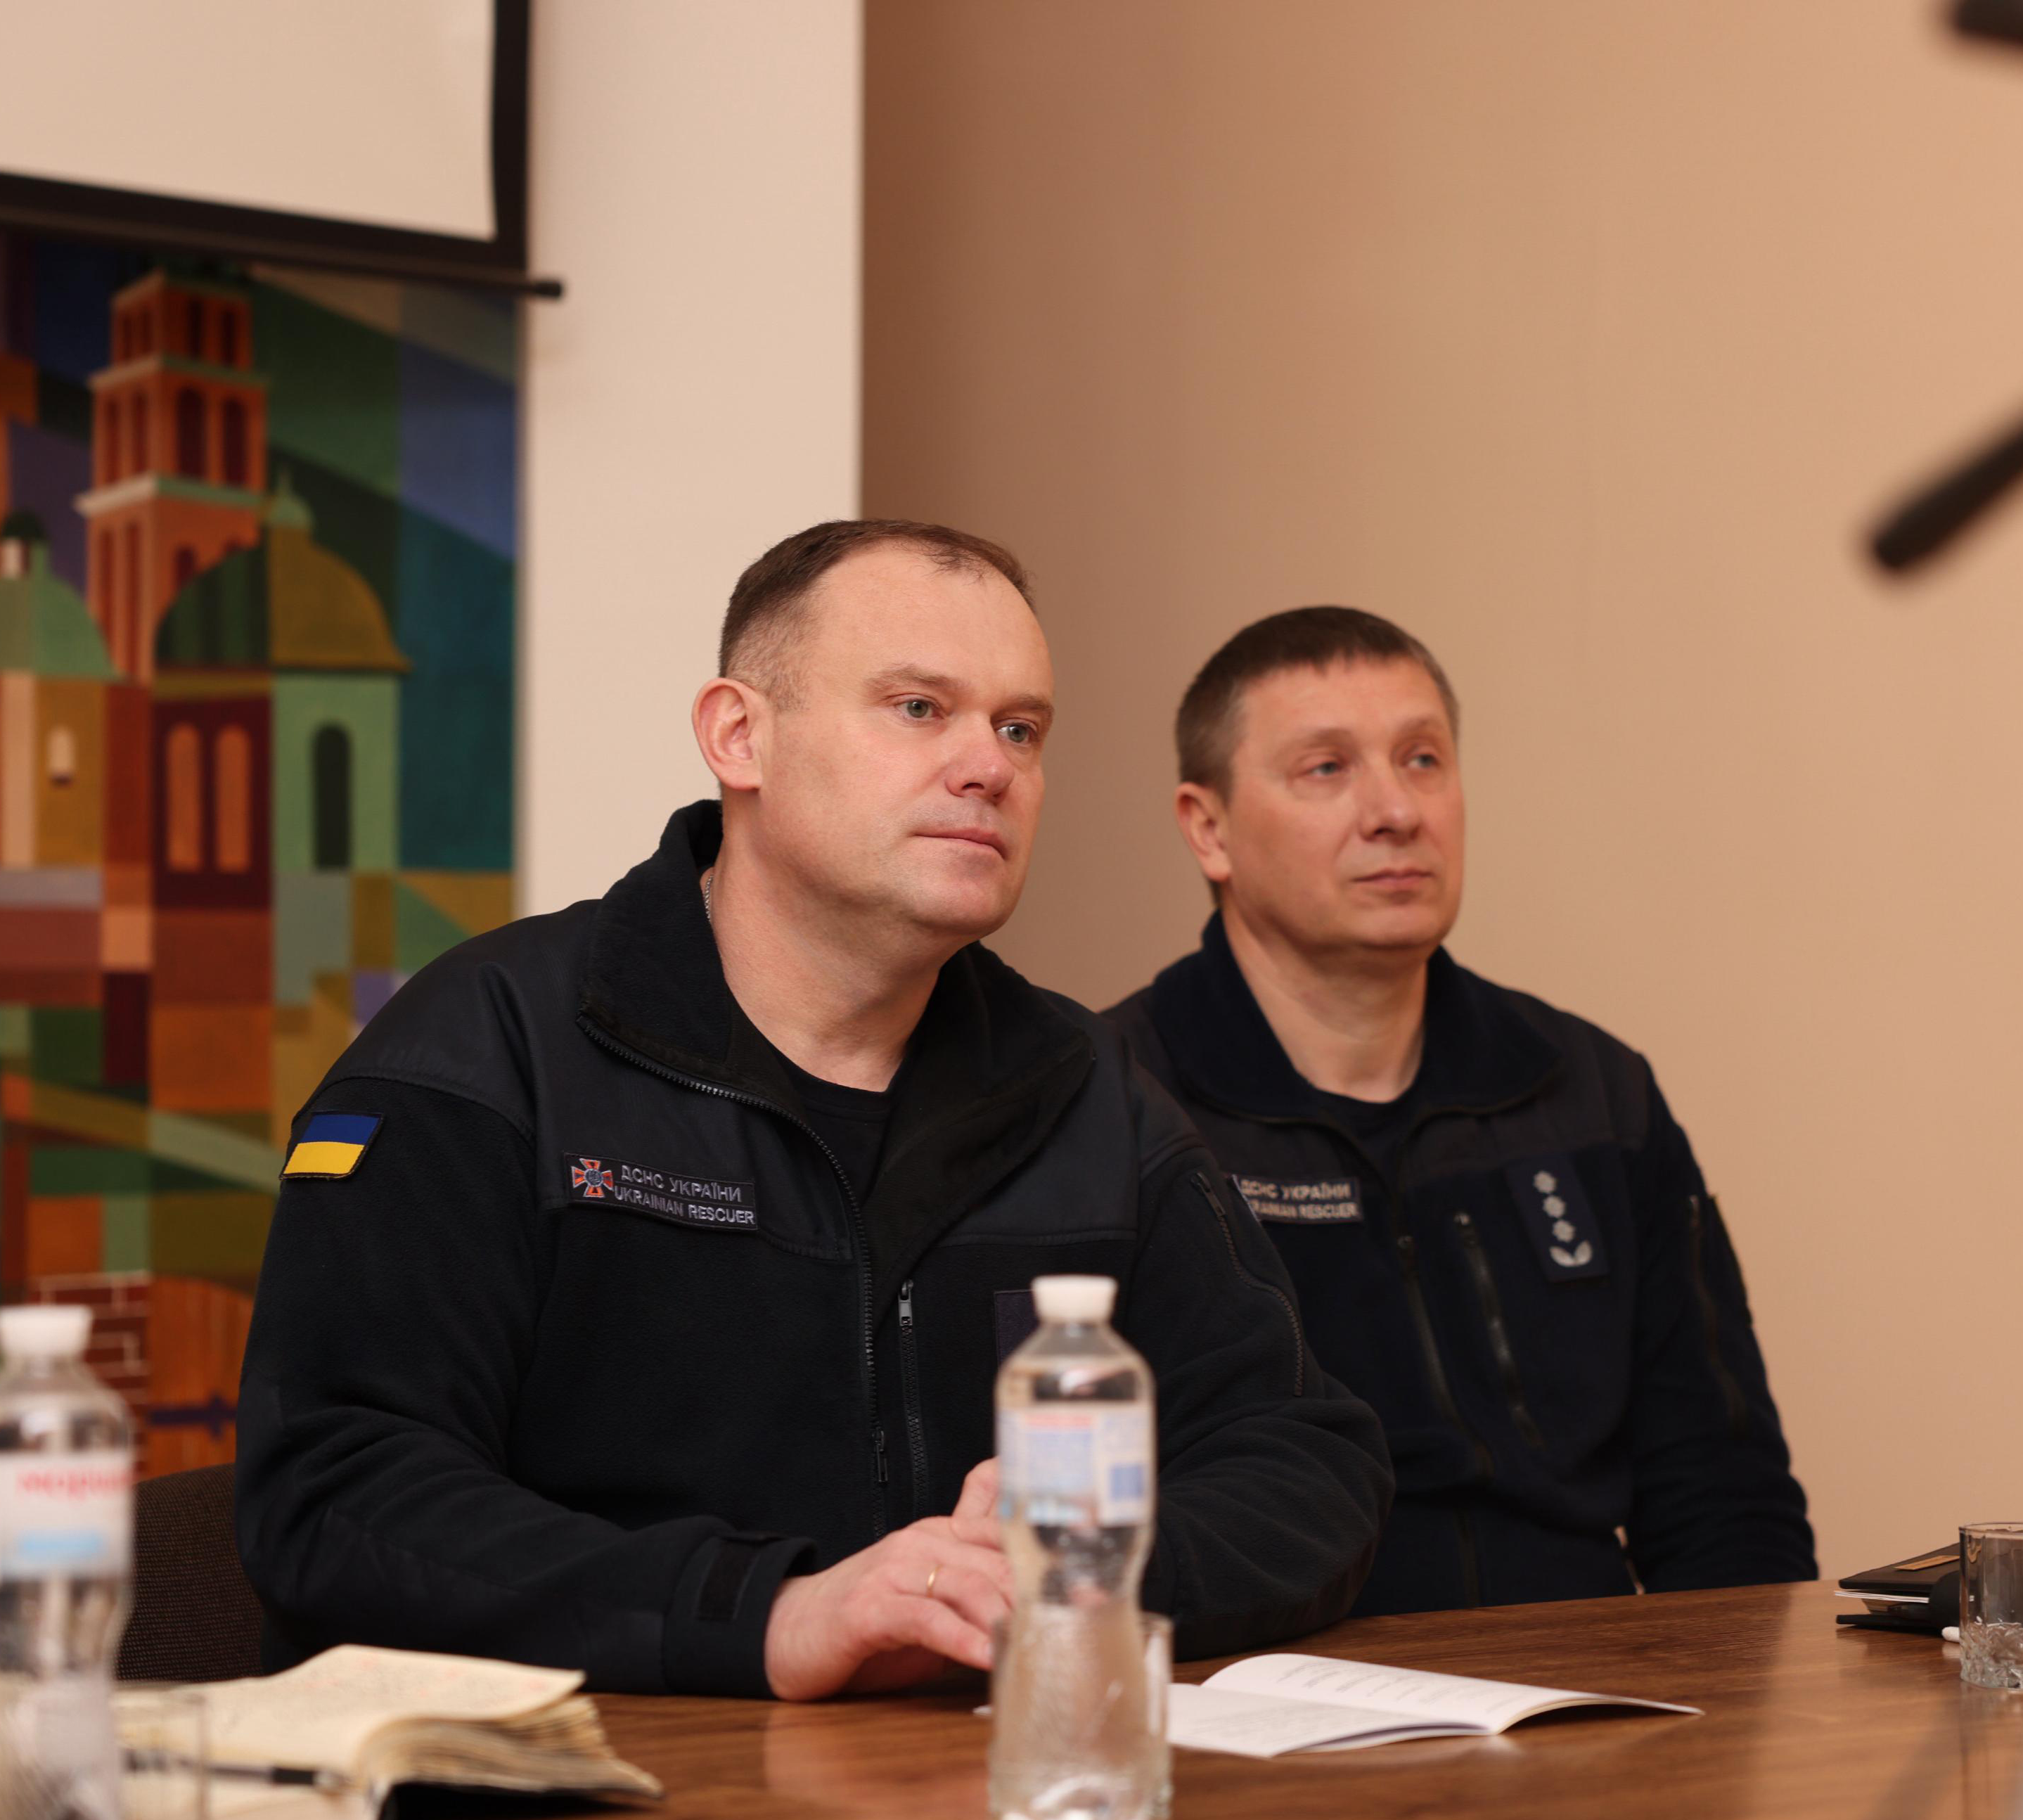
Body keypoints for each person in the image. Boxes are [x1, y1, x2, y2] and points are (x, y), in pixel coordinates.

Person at [235, 523, 1391, 1699]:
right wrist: (771, 1614)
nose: (988, 767)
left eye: (1020, 729)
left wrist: (1065, 1577)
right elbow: (335, 1495)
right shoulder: (484, 1053)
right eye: (918, 708)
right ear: (740, 736)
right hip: (583, 1774)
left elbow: (1305, 1461)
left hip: (976, 1772)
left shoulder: (1084, 1087)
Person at [1106, 608, 1813, 1613]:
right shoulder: (1116, 1107)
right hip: (1271, 1676)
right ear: (1208, 829)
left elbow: (1724, 1494)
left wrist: (1728, 1695)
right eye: (1326, 768)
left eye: (1423, 759)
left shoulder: (1590, 1090)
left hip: (1586, 1678)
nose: (1396, 811)